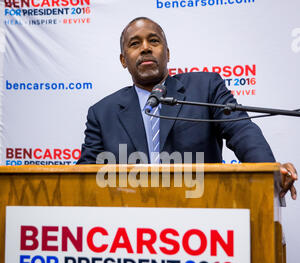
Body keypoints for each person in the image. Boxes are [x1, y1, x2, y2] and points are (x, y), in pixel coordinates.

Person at [77, 17, 297, 200]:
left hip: (201, 211)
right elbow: (82, 178)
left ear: (168, 53)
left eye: (154, 41)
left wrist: (268, 170)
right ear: (123, 60)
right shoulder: (102, 113)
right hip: (130, 225)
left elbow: (241, 130)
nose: (145, 48)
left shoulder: (206, 88)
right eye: (135, 44)